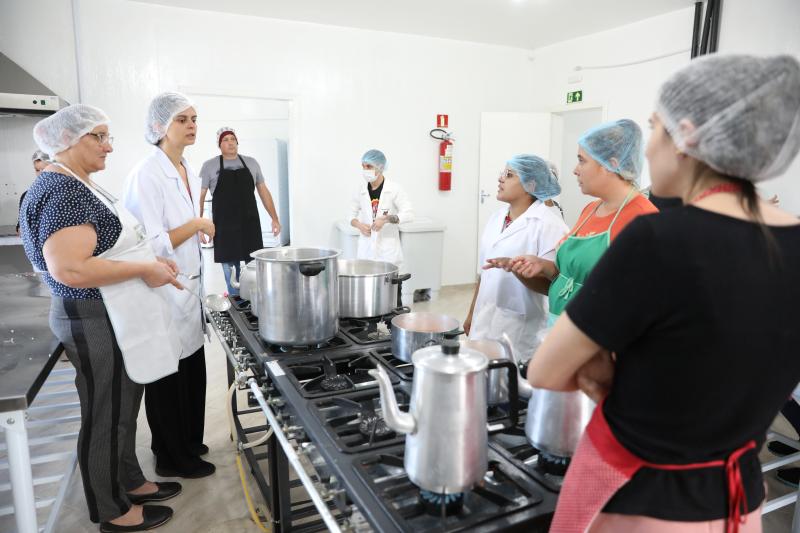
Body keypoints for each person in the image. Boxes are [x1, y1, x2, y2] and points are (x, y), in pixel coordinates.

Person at [528, 54, 800, 533]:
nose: (647, 152)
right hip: (736, 501)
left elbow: (547, 368)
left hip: (641, 500)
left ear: (687, 136)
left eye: (655, 128)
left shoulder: (659, 239)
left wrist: (602, 363)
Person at [21, 104, 184, 531]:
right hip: (90, 314)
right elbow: (70, 269)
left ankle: (128, 479)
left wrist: (152, 265)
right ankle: (111, 510)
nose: (109, 146)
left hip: (111, 311)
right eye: (100, 136)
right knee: (105, 412)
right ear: (69, 140)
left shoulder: (80, 184)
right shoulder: (63, 192)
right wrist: (145, 269)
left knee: (124, 404)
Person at [123, 92, 216, 479]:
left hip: (187, 285)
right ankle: (170, 456)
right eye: (182, 120)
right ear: (160, 127)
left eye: (194, 118)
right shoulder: (147, 173)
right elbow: (154, 242)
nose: (192, 125)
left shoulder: (186, 169)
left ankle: (191, 441)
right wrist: (196, 225)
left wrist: (197, 235)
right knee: (168, 377)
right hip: (162, 288)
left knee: (192, 370)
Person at [498, 119, 658, 337]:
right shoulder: (590, 209)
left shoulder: (642, 219)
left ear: (610, 165)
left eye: (582, 161)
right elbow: (573, 276)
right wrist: (544, 267)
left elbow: (642, 304)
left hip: (596, 338)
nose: (575, 170)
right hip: (561, 327)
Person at [464, 154, 568, 359]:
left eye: (509, 175)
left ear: (530, 184)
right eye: (503, 173)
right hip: (483, 318)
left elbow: (553, 286)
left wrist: (517, 269)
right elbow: (483, 273)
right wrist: (471, 314)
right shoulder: (497, 218)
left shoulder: (550, 226)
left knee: (511, 383)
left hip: (520, 329)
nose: (500, 179)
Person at [198, 127, 280, 296]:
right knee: (231, 272)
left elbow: (264, 192)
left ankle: (256, 303)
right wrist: (199, 226)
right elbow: (199, 197)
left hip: (249, 224)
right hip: (224, 227)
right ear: (219, 145)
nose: (230, 142)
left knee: (255, 270)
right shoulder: (209, 166)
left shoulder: (251, 163)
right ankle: (236, 304)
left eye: (233, 139)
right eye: (225, 140)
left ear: (237, 142)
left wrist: (274, 218)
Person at [349, 149, 414, 269]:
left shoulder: (394, 189)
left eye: (369, 166)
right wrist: (359, 225)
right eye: (363, 166)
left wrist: (386, 219)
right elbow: (351, 216)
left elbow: (409, 214)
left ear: (380, 167)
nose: (365, 170)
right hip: (366, 250)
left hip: (388, 251)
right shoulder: (360, 190)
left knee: (389, 286)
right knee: (365, 284)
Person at [16, 150, 50, 235]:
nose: (41, 174)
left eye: (45, 169)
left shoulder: (63, 194)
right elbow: (21, 228)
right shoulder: (27, 196)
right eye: (37, 170)